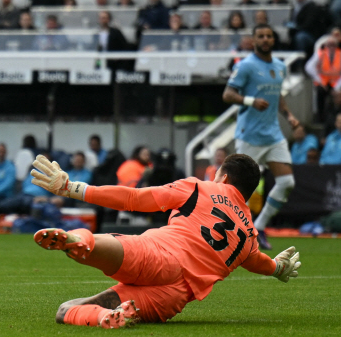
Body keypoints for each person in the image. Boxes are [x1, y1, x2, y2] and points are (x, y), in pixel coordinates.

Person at [29, 153, 301, 328]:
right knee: (67, 310)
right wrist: (278, 268)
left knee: (101, 247)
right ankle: (104, 317)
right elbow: (258, 263)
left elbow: (134, 199)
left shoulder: (200, 187)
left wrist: (72, 188)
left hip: (161, 255)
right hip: (172, 296)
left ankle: (80, 241)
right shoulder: (249, 236)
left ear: (224, 177)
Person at [222, 24, 299, 250]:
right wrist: (250, 101)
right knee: (238, 191)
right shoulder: (246, 66)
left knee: (287, 182)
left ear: (273, 40)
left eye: (269, 36)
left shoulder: (279, 67)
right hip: (250, 135)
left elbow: (277, 97)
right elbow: (227, 94)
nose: (265, 39)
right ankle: (225, 233)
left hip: (273, 134)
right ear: (254, 40)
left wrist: (289, 115)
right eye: (261, 36)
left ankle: (259, 227)